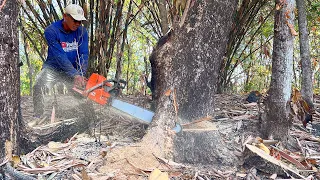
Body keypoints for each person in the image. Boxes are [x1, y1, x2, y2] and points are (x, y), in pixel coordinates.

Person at [33, 4, 89, 117]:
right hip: (53, 68)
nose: (77, 24)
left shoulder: (82, 32)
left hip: (72, 70)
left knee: (83, 92)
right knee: (39, 85)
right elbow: (59, 55)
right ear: (65, 16)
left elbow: (84, 54)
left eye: (80, 21)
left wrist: (80, 74)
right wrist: (75, 74)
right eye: (75, 20)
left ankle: (89, 117)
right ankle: (39, 116)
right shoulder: (51, 31)